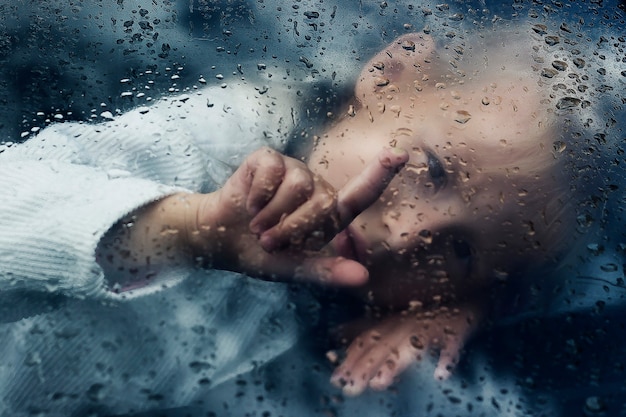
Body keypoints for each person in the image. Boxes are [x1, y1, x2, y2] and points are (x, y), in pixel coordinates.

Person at [0, 26, 608, 416]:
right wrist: (190, 229)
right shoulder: (224, 140)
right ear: (390, 75)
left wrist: (465, 313)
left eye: (457, 251)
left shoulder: (377, 330)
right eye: (433, 169)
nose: (405, 236)